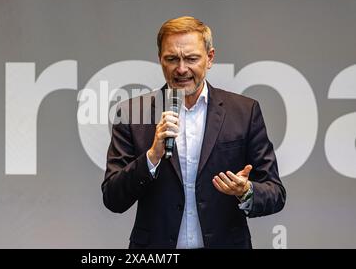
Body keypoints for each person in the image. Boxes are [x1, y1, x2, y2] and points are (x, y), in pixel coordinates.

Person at [102, 16, 286, 249]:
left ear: (210, 58)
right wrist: (151, 157)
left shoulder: (244, 111)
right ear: (160, 59)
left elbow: (275, 192)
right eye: (171, 59)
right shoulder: (131, 114)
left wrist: (246, 191)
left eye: (191, 58)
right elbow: (112, 198)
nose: (181, 69)